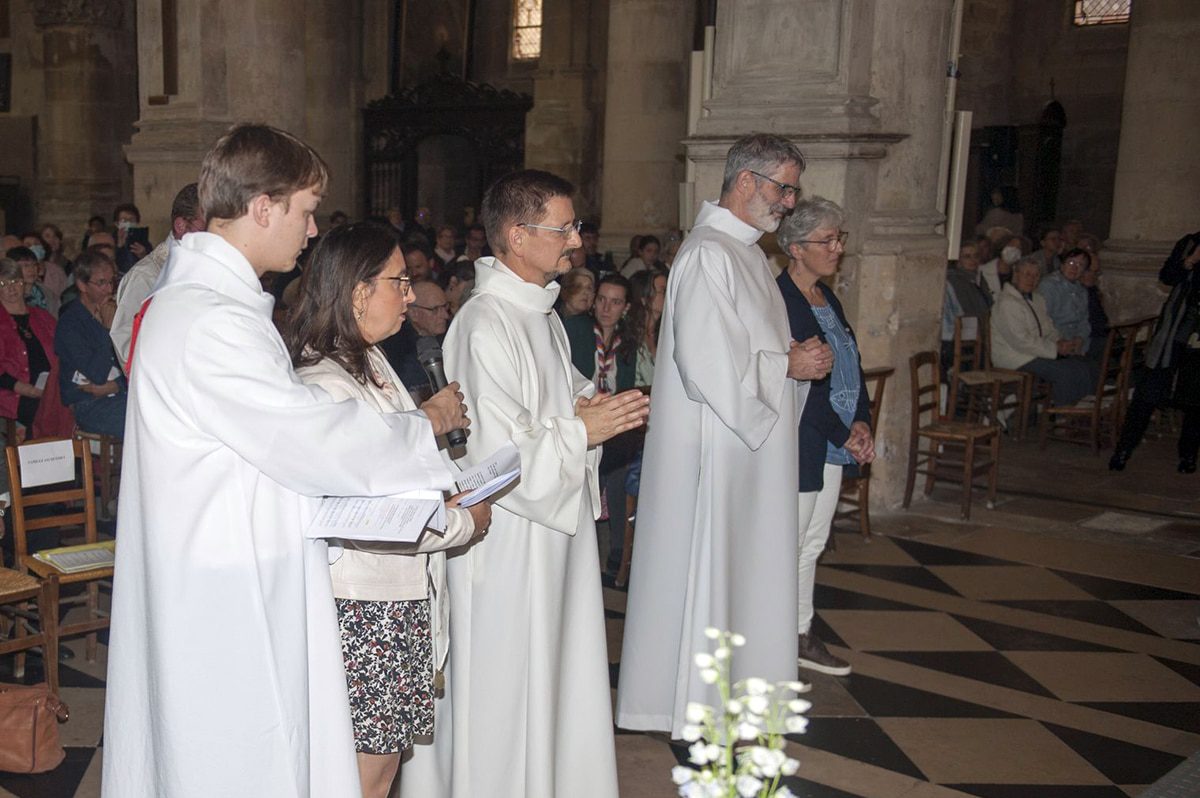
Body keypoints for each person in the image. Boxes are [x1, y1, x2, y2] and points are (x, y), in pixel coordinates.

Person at [102, 123, 471, 798]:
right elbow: (311, 441)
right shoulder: (209, 319)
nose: (310, 231)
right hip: (226, 587)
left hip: (238, 567)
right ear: (262, 206)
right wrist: (421, 428)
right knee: (238, 759)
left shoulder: (215, 308)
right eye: (305, 211)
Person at [399, 169, 648, 798]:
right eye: (561, 228)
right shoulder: (485, 323)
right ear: (516, 235)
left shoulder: (539, 314)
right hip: (505, 541)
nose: (575, 240)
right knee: (506, 684)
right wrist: (582, 433)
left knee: (551, 674)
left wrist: (599, 411)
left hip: (550, 532)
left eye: (575, 226)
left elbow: (561, 402)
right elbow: (492, 452)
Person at [616, 133, 832, 737]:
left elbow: (745, 350)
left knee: (741, 574)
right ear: (745, 182)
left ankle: (731, 702)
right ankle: (697, 708)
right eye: (783, 187)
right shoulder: (710, 252)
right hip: (717, 450)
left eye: (792, 189)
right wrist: (783, 366)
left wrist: (787, 358)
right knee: (707, 574)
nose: (789, 202)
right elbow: (706, 363)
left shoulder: (747, 254)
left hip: (746, 450)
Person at [287, 221, 491, 798]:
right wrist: (458, 522)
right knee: (362, 772)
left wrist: (452, 487)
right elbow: (362, 513)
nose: (409, 295)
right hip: (363, 602)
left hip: (393, 596)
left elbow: (400, 471)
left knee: (380, 768)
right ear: (356, 290)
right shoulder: (324, 384)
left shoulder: (370, 364)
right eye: (398, 282)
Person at [776, 198, 874, 676]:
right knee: (788, 543)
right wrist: (843, 430)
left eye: (840, 239)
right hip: (804, 440)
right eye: (828, 240)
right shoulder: (782, 301)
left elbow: (851, 363)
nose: (837, 248)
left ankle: (800, 632)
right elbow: (804, 386)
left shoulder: (825, 297)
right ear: (796, 248)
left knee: (812, 543)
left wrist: (862, 421)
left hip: (835, 438)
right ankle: (774, 639)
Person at [563, 273, 640, 582]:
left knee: (621, 483)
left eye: (616, 302)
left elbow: (628, 385)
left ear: (626, 307)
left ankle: (616, 559)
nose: (607, 308)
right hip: (583, 424)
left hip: (617, 431)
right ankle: (584, 562)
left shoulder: (627, 344)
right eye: (602, 299)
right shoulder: (575, 330)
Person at [1109, 229, 1200, 474]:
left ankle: (1188, 455)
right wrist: (1191, 260)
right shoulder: (1191, 242)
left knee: (1195, 398)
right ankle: (1124, 449)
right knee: (1148, 393)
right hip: (1174, 330)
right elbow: (1167, 276)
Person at [110, 183, 205, 369]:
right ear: (181, 225)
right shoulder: (146, 276)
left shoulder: (208, 269)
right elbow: (128, 350)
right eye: (206, 227)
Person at [990, 256, 1093, 406]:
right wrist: (1055, 348)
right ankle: (1062, 414)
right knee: (1065, 372)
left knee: (1081, 367)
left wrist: (1061, 342)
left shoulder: (1037, 299)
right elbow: (1021, 341)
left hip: (1036, 353)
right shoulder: (1007, 302)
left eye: (1036, 275)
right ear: (1016, 274)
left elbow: (1048, 328)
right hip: (1015, 357)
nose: (1031, 279)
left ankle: (1082, 411)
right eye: (1027, 274)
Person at [54, 249, 127, 439]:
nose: (109, 289)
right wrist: (108, 330)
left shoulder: (119, 312)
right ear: (82, 285)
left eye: (112, 281)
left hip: (122, 393)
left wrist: (118, 385)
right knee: (141, 418)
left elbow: (135, 361)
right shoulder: (70, 323)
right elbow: (97, 373)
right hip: (89, 404)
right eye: (101, 283)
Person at [0, 257, 71, 439]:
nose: (11, 288)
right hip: (14, 395)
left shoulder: (42, 316)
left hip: (50, 389)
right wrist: (29, 390)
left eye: (15, 281)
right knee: (40, 414)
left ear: (23, 284)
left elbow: (63, 351)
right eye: (3, 283)